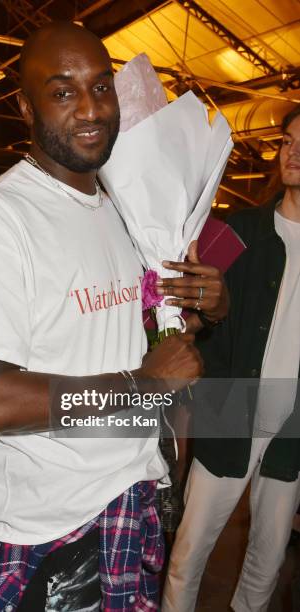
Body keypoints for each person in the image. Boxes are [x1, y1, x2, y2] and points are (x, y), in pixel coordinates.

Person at [0, 22, 227, 610]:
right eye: (63, 91)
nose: (90, 108)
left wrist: (200, 312)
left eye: (101, 86)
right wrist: (143, 384)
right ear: (25, 105)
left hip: (128, 496)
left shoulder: (121, 211)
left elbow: (128, 334)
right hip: (50, 525)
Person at [162, 105, 300, 612]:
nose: (294, 151)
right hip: (229, 412)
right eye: (287, 140)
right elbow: (182, 313)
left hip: (292, 427)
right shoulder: (234, 232)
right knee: (188, 553)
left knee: (268, 558)